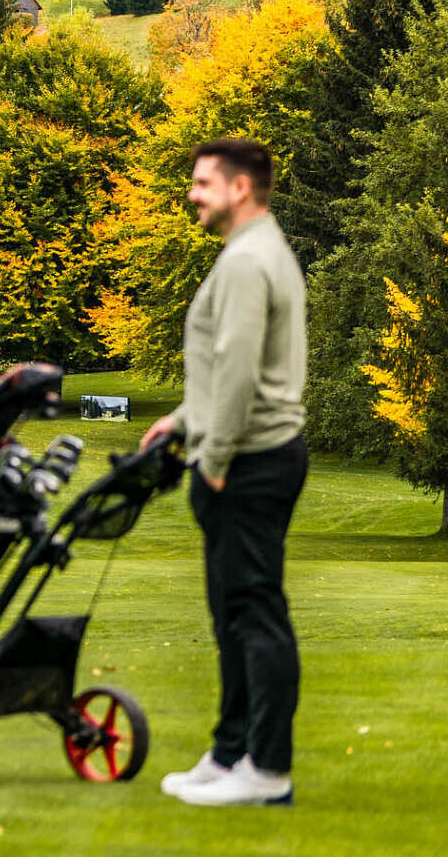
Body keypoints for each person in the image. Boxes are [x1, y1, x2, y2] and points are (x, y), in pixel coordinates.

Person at [139, 138, 306, 809]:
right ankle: (230, 749)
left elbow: (238, 370)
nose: (193, 194)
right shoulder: (260, 252)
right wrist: (180, 421)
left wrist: (211, 459)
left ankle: (265, 771)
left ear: (240, 188)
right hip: (251, 453)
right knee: (233, 616)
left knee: (254, 614)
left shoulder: (245, 262)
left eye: (203, 183)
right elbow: (227, 366)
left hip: (247, 461)